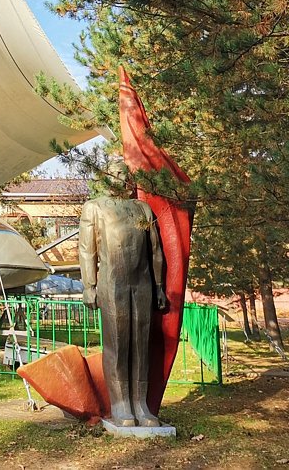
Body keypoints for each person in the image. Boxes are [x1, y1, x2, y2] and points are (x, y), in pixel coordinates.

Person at [79, 157, 168, 427]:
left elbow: (155, 251)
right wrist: (89, 286)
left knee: (141, 345)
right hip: (112, 283)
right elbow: (87, 251)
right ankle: (120, 405)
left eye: (123, 173)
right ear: (105, 176)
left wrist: (159, 286)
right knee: (118, 344)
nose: (120, 177)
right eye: (114, 173)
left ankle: (141, 405)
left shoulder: (142, 209)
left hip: (142, 284)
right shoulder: (95, 207)